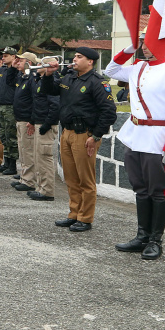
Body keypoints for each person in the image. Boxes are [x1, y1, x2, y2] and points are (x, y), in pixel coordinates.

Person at [105, 36, 165, 259]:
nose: (143, 47)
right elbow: (111, 69)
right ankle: (142, 236)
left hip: (158, 138)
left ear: (164, 45)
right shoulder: (138, 67)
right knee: (140, 187)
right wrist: (130, 46)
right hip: (136, 135)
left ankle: (155, 241)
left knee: (158, 188)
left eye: (147, 43)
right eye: (141, 43)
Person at [40, 47, 117, 232]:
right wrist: (49, 75)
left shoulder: (97, 82)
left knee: (85, 180)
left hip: (85, 135)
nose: (74, 59)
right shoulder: (70, 77)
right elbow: (50, 91)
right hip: (67, 132)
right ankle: (73, 213)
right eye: (74, 56)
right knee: (71, 178)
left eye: (79, 57)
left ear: (90, 61)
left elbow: (109, 112)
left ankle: (85, 218)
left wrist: (96, 136)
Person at [26, 56, 60, 202]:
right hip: (39, 122)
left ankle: (47, 191)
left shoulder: (53, 82)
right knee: (39, 158)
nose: (38, 65)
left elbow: (55, 105)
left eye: (41, 64)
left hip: (46, 125)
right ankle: (40, 188)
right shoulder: (41, 80)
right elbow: (38, 103)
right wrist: (33, 121)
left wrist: (47, 124)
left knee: (45, 158)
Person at [9, 53, 36, 192]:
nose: (17, 61)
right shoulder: (22, 76)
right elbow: (9, 82)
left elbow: (35, 100)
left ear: (29, 62)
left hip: (27, 120)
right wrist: (13, 68)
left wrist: (32, 120)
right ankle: (24, 177)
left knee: (28, 150)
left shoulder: (33, 78)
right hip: (19, 118)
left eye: (21, 60)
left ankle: (29, 181)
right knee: (22, 150)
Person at [0, 47, 19, 175]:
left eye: (7, 55)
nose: (3, 57)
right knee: (3, 135)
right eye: (3, 56)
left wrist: (14, 69)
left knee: (11, 136)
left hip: (10, 106)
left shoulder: (16, 71)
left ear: (14, 57)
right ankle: (6, 163)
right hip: (1, 105)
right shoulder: (1, 70)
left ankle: (12, 165)